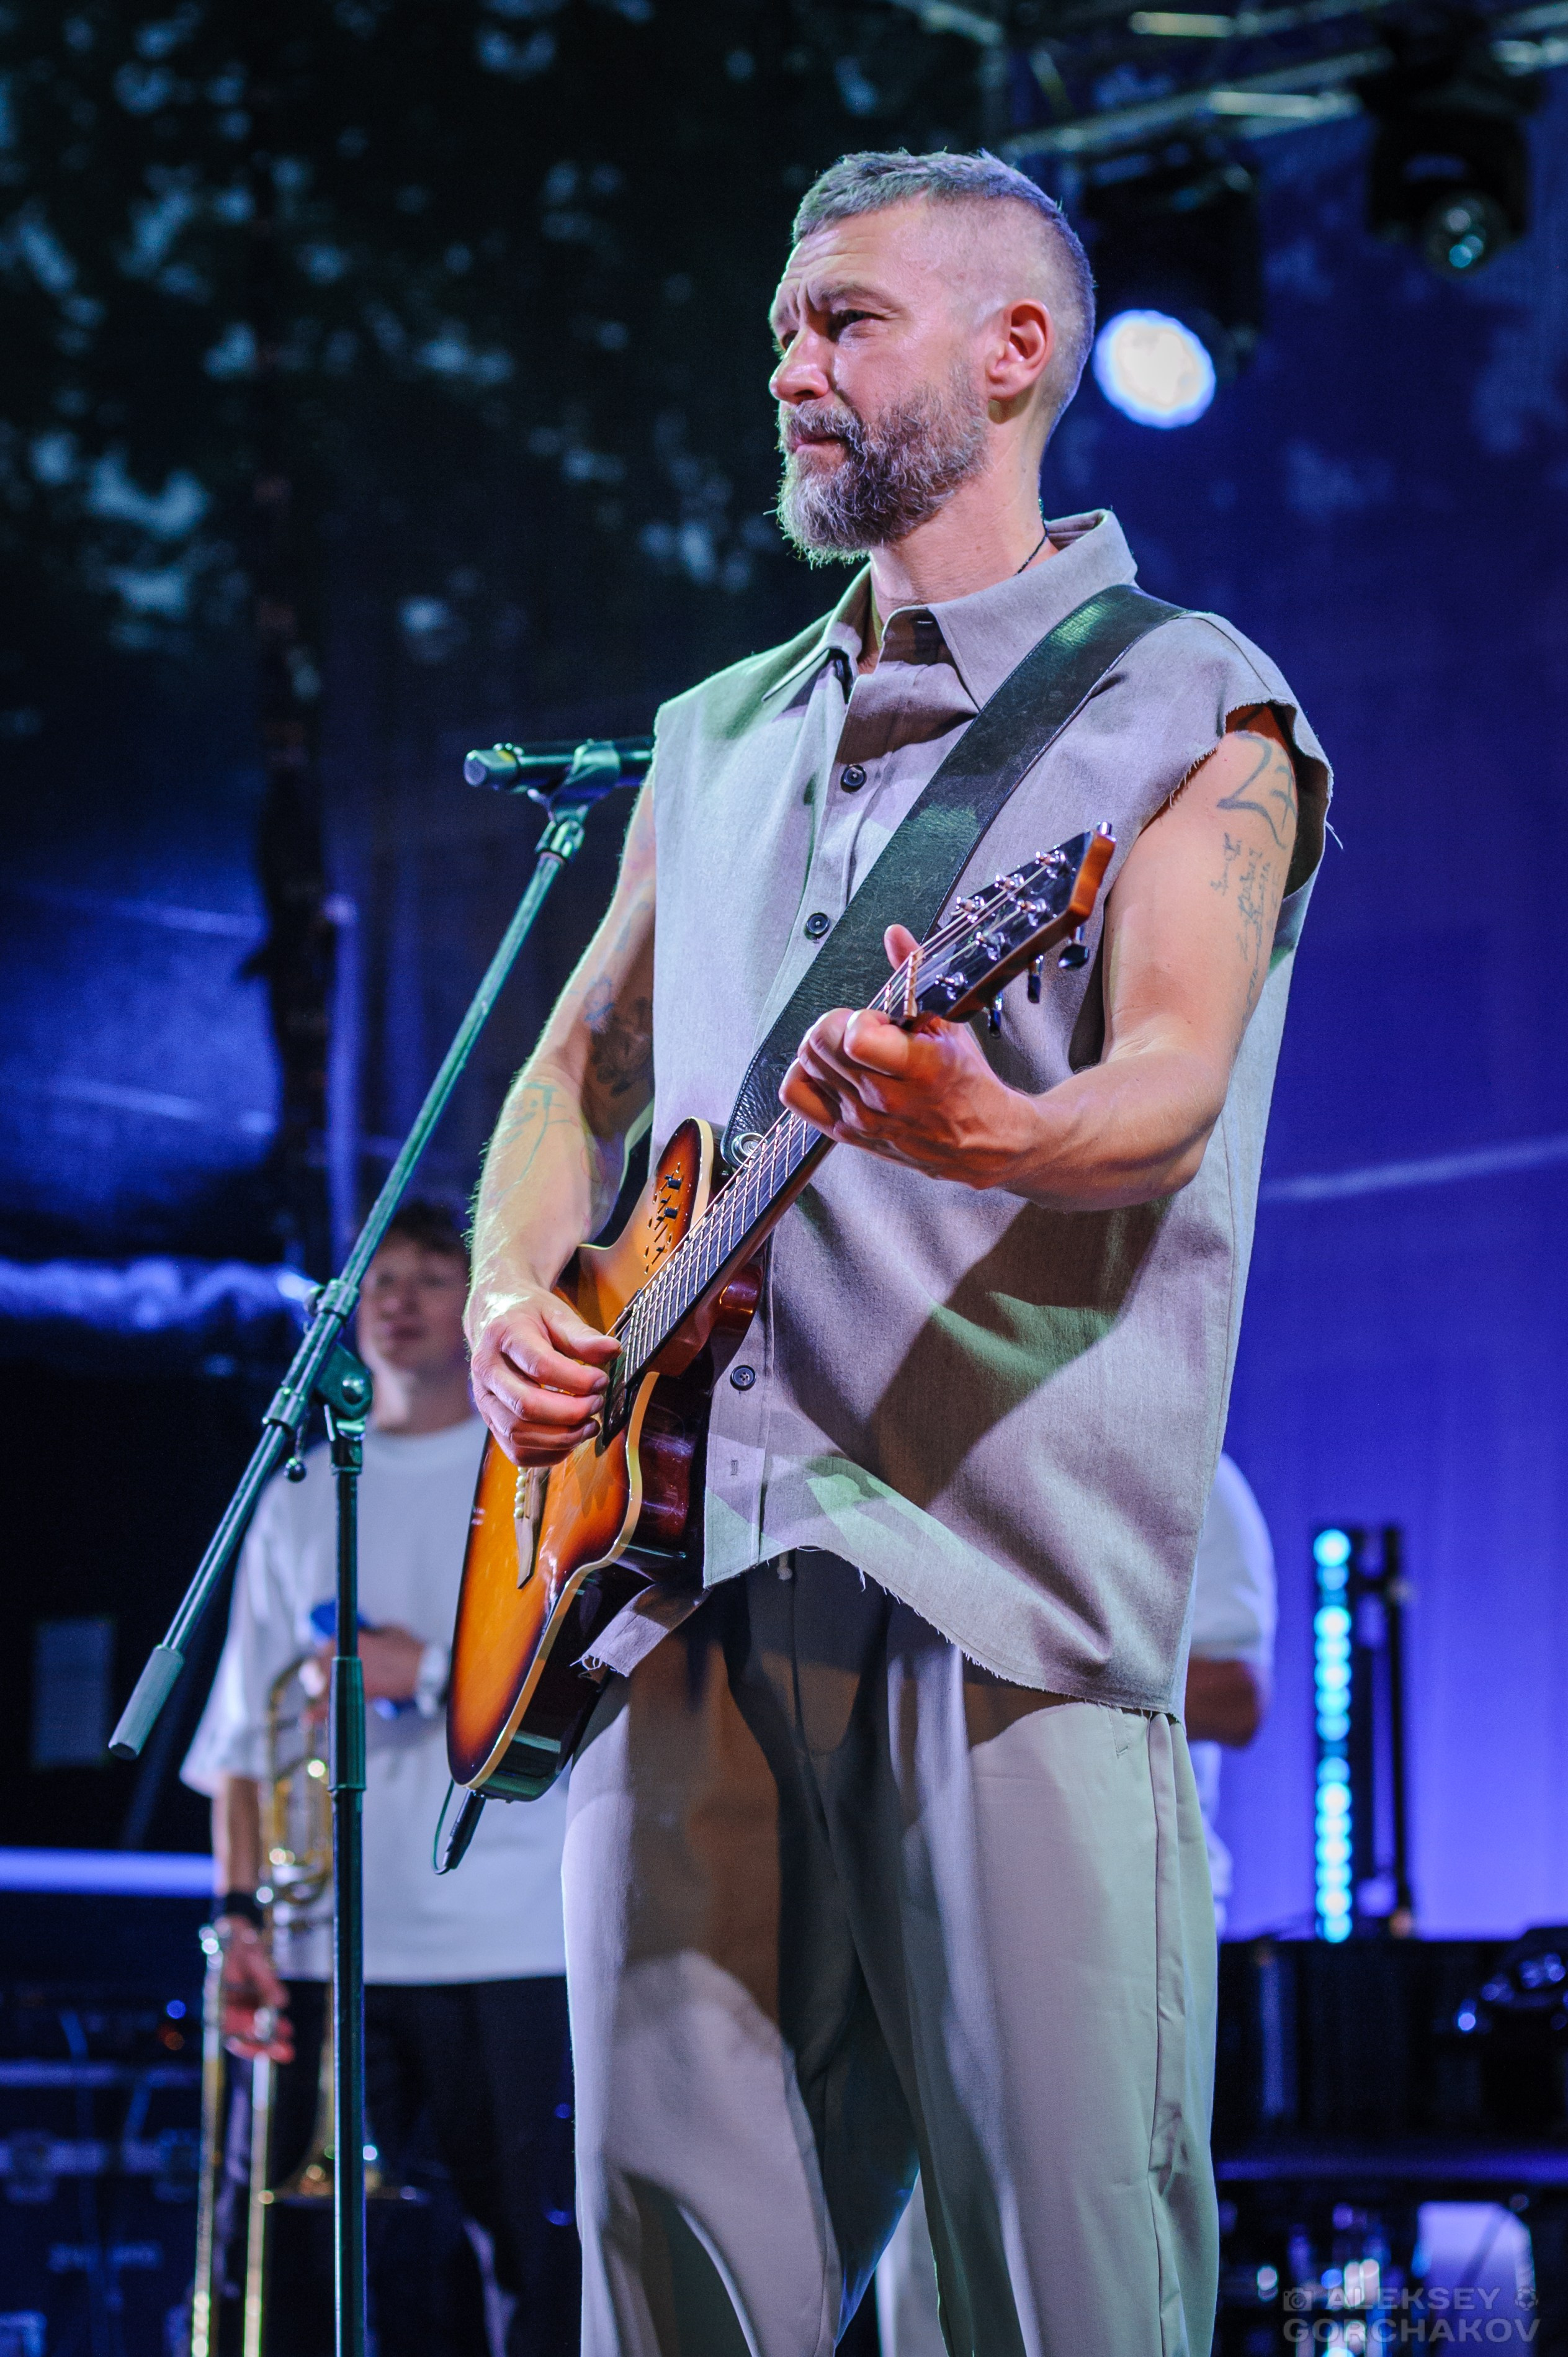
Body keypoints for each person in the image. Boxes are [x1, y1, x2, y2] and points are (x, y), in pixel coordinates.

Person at [465, 147, 1330, 2357]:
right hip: (660, 1581)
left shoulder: (1187, 703)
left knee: (1057, 2281)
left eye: (840, 319)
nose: (787, 365)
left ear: (1012, 350)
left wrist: (998, 1126)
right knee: (664, 2273)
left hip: (998, 1572)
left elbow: (1168, 1071)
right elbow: (569, 1070)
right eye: (781, 327)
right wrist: (509, 1295)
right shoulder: (710, 731)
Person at [182, 1201, 578, 2357]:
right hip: (329, 1953)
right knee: (309, 2285)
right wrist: (241, 1914)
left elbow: (596, 1669)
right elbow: (242, 1749)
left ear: (475, 1303)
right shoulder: (296, 1491)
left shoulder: (531, 1465)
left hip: (509, 1942)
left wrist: (436, 1671)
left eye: (427, 1276)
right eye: (379, 1278)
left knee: (540, 2267)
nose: (397, 1299)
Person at [875, 1450, 1279, 2355]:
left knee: (1087, 2257)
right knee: (927, 2262)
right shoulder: (917, 1463)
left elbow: (1243, 1693)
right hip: (927, 1886)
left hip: (1105, 1902)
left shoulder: (1194, 1468)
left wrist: (1024, 1644)